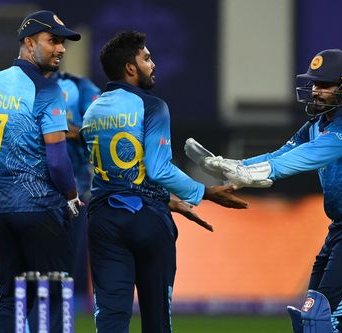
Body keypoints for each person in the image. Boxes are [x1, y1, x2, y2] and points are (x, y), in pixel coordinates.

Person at [192, 49, 342, 333]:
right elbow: (280, 155)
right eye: (314, 83)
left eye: (324, 85)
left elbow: (307, 157)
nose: (315, 90)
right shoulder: (318, 124)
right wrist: (234, 166)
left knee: (320, 322)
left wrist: (255, 173)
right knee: (308, 324)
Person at [80, 30, 248, 333]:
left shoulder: (92, 111)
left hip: (103, 220)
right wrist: (206, 192)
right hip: (146, 220)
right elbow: (158, 170)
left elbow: (114, 176)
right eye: (146, 58)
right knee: (157, 321)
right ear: (130, 68)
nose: (153, 64)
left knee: (109, 319)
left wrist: (169, 200)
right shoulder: (153, 106)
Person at [0, 10, 83, 333]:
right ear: (29, 42)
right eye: (53, 40)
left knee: (10, 300)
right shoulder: (47, 91)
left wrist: (5, 180)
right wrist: (71, 198)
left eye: (63, 42)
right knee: (52, 298)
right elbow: (58, 162)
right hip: (40, 209)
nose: (61, 48)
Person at [48, 70, 101, 296]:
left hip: (76, 190)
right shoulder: (23, 86)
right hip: (35, 191)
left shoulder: (81, 87)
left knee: (71, 262)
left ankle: (73, 311)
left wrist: (58, 130)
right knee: (39, 265)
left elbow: (100, 129)